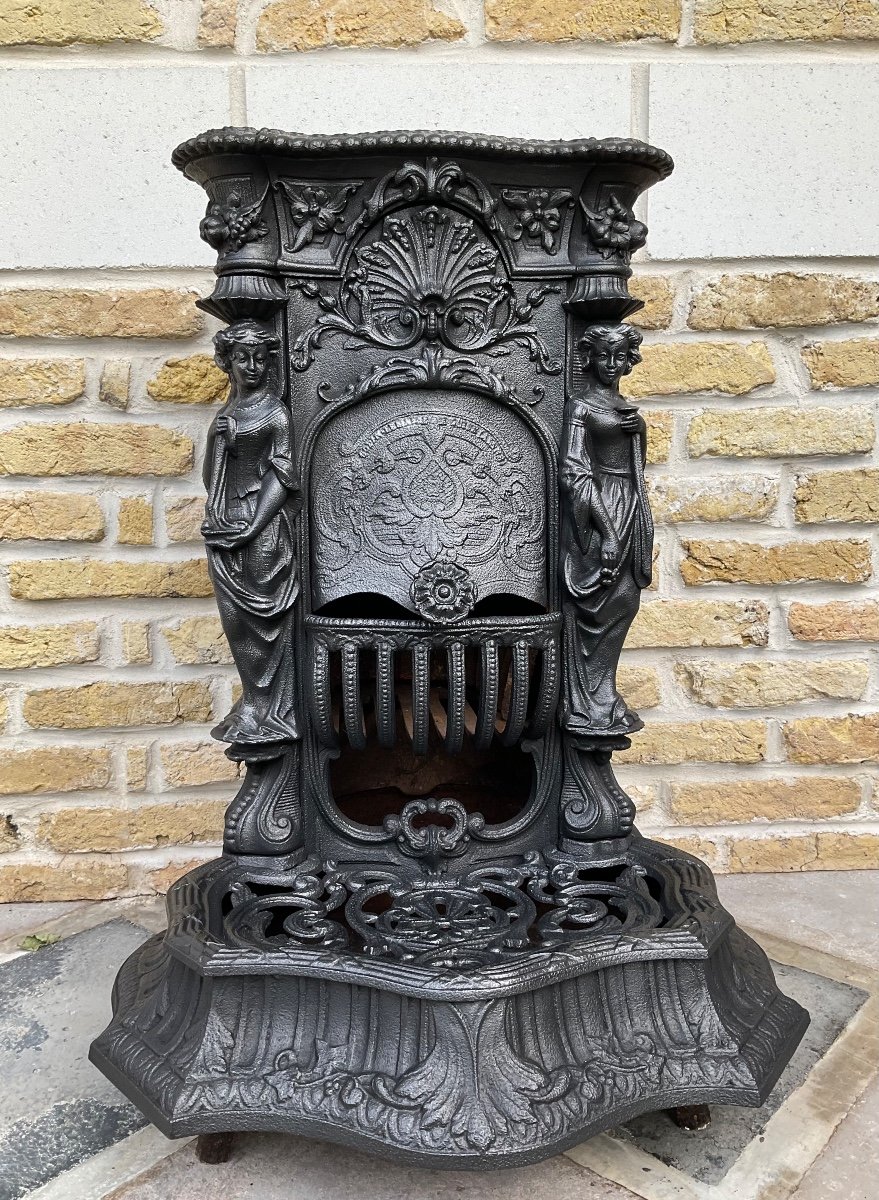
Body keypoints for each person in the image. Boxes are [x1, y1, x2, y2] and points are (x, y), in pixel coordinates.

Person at [201, 318, 302, 755]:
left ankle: (272, 707)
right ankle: (253, 701)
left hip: (261, 529)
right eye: (242, 358)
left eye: (260, 358)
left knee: (265, 623)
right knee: (235, 622)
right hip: (227, 523)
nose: (252, 366)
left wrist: (253, 527)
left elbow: (283, 477)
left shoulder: (276, 413)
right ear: (228, 362)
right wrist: (218, 443)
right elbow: (211, 478)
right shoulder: (226, 415)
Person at [560, 323, 652, 739]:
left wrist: (640, 432)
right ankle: (585, 702)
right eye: (603, 356)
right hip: (601, 509)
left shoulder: (623, 407)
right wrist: (608, 532)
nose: (611, 364)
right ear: (589, 358)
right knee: (598, 605)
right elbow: (575, 471)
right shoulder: (580, 406)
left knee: (626, 600)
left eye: (619, 356)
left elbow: (636, 465)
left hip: (629, 503)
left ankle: (604, 693)